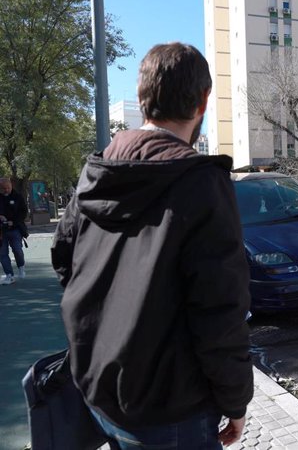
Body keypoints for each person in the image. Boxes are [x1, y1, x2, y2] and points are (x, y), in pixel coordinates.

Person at [51, 42, 253, 448]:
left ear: (144, 99)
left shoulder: (96, 171)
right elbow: (219, 310)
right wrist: (237, 401)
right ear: (203, 102)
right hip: (170, 411)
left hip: (99, 391)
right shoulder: (202, 184)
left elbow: (64, 262)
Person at [0, 178, 28, 285]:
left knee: (17, 250)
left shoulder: (18, 197)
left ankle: (21, 266)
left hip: (15, 229)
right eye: (3, 188)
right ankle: (9, 275)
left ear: (11, 186)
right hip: (1, 231)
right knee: (2, 254)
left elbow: (24, 212)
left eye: (8, 188)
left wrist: (14, 222)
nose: (6, 190)